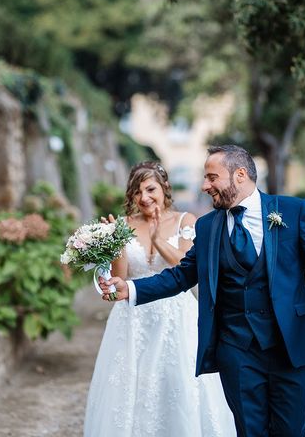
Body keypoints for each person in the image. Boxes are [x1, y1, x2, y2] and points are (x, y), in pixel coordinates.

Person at [100, 145, 305, 437]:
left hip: (289, 345)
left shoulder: (291, 211)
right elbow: (181, 276)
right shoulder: (207, 227)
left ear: (239, 175)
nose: (204, 186)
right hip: (236, 350)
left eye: (212, 177)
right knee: (249, 431)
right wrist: (131, 288)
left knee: (290, 431)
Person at [83, 161, 236, 437]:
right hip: (133, 318)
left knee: (178, 384)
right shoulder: (123, 226)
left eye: (150, 189)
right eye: (137, 192)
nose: (144, 198)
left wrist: (157, 239)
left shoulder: (185, 221)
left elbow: (187, 267)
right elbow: (120, 282)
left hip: (177, 316)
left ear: (164, 188)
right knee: (131, 391)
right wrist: (113, 247)